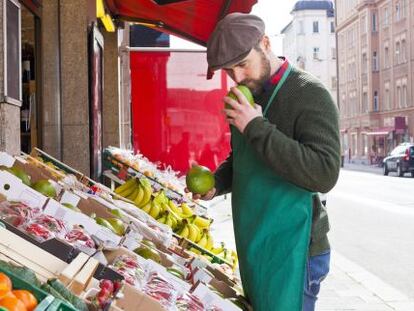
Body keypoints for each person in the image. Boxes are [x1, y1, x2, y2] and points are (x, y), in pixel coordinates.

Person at [190, 13, 341, 311]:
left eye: (243, 64)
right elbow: (245, 158)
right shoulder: (243, 99)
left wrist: (255, 126)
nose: (238, 78)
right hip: (254, 242)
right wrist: (216, 185)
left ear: (266, 43)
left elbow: (325, 173)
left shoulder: (310, 93)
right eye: (229, 71)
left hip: (294, 249)